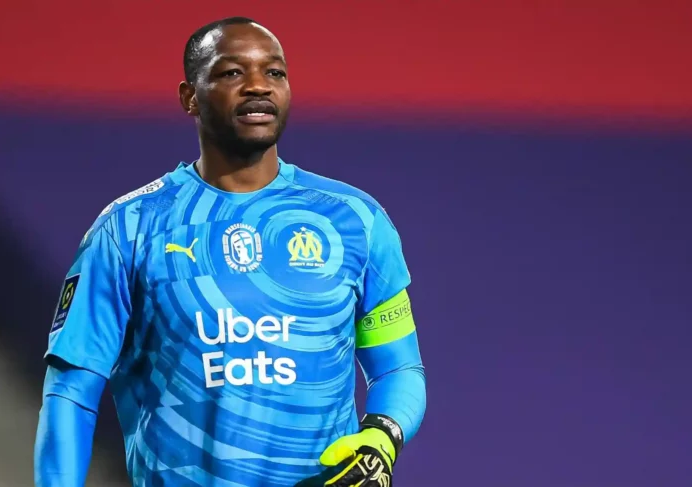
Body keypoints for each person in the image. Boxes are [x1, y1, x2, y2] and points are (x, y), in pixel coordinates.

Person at [33, 17, 426, 487]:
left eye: (274, 73)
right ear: (189, 97)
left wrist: (383, 436)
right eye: (232, 73)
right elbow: (70, 395)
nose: (258, 86)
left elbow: (399, 369)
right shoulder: (127, 229)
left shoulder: (356, 220)